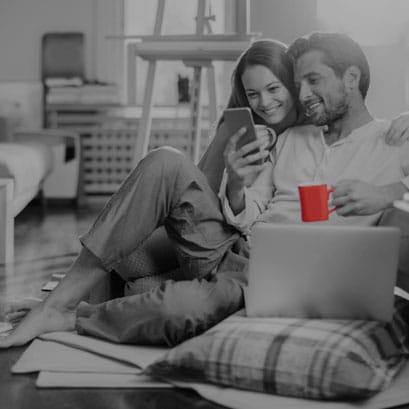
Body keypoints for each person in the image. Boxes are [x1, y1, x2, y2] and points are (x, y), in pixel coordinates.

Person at [1, 37, 409, 348]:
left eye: (311, 82)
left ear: (351, 78)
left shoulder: (394, 143)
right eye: (298, 83)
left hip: (284, 279)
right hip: (238, 245)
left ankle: (71, 315)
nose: (300, 95)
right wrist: (234, 181)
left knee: (168, 303)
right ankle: (59, 301)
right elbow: (247, 209)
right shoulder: (294, 137)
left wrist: (387, 192)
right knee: (163, 161)